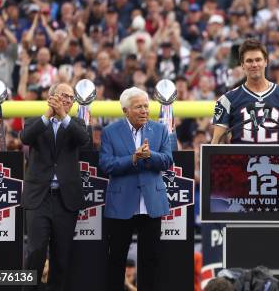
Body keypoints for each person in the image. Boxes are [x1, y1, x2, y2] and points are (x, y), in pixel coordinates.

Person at [99, 87, 173, 291]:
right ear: (125, 110)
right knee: (116, 259)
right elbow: (106, 165)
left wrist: (150, 156)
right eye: (138, 106)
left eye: (146, 106)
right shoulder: (110, 132)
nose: (144, 110)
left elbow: (168, 160)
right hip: (122, 204)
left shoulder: (160, 130)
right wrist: (132, 158)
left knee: (151, 259)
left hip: (151, 204)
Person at [20, 82, 90, 291]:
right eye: (64, 96)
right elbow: (25, 138)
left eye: (71, 97)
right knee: (35, 251)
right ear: (51, 97)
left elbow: (84, 140)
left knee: (61, 255)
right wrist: (48, 114)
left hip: (65, 199)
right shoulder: (34, 121)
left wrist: (63, 116)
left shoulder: (76, 123)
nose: (68, 100)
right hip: (39, 198)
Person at [211, 39, 279, 144]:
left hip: (276, 160)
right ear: (242, 65)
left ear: (266, 62)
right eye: (249, 61)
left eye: (258, 60)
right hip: (241, 160)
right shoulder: (227, 100)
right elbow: (217, 143)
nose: (254, 64)